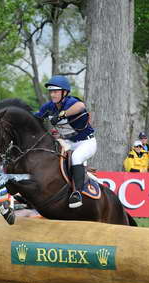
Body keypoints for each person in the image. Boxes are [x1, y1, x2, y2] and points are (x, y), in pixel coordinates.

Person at [34, 75, 95, 208]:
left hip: (86, 142)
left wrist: (62, 114)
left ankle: (77, 193)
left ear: (65, 92)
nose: (53, 94)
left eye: (56, 91)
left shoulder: (71, 102)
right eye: (51, 91)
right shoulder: (49, 106)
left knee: (77, 157)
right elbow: (36, 117)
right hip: (67, 142)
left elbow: (81, 106)